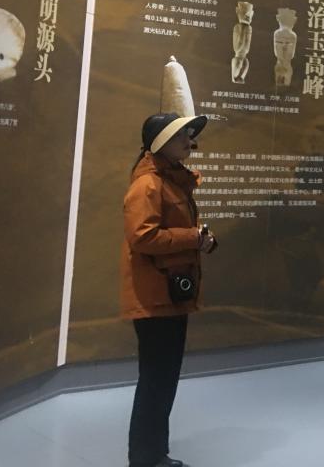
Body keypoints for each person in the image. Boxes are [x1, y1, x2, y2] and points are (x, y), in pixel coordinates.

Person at [121, 112, 218, 467]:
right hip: (155, 297)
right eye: (182, 136)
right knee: (156, 380)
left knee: (162, 379)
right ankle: (145, 459)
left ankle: (153, 455)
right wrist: (192, 237)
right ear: (162, 142)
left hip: (169, 294)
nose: (190, 141)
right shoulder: (148, 185)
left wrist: (202, 240)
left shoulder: (172, 181)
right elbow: (143, 236)